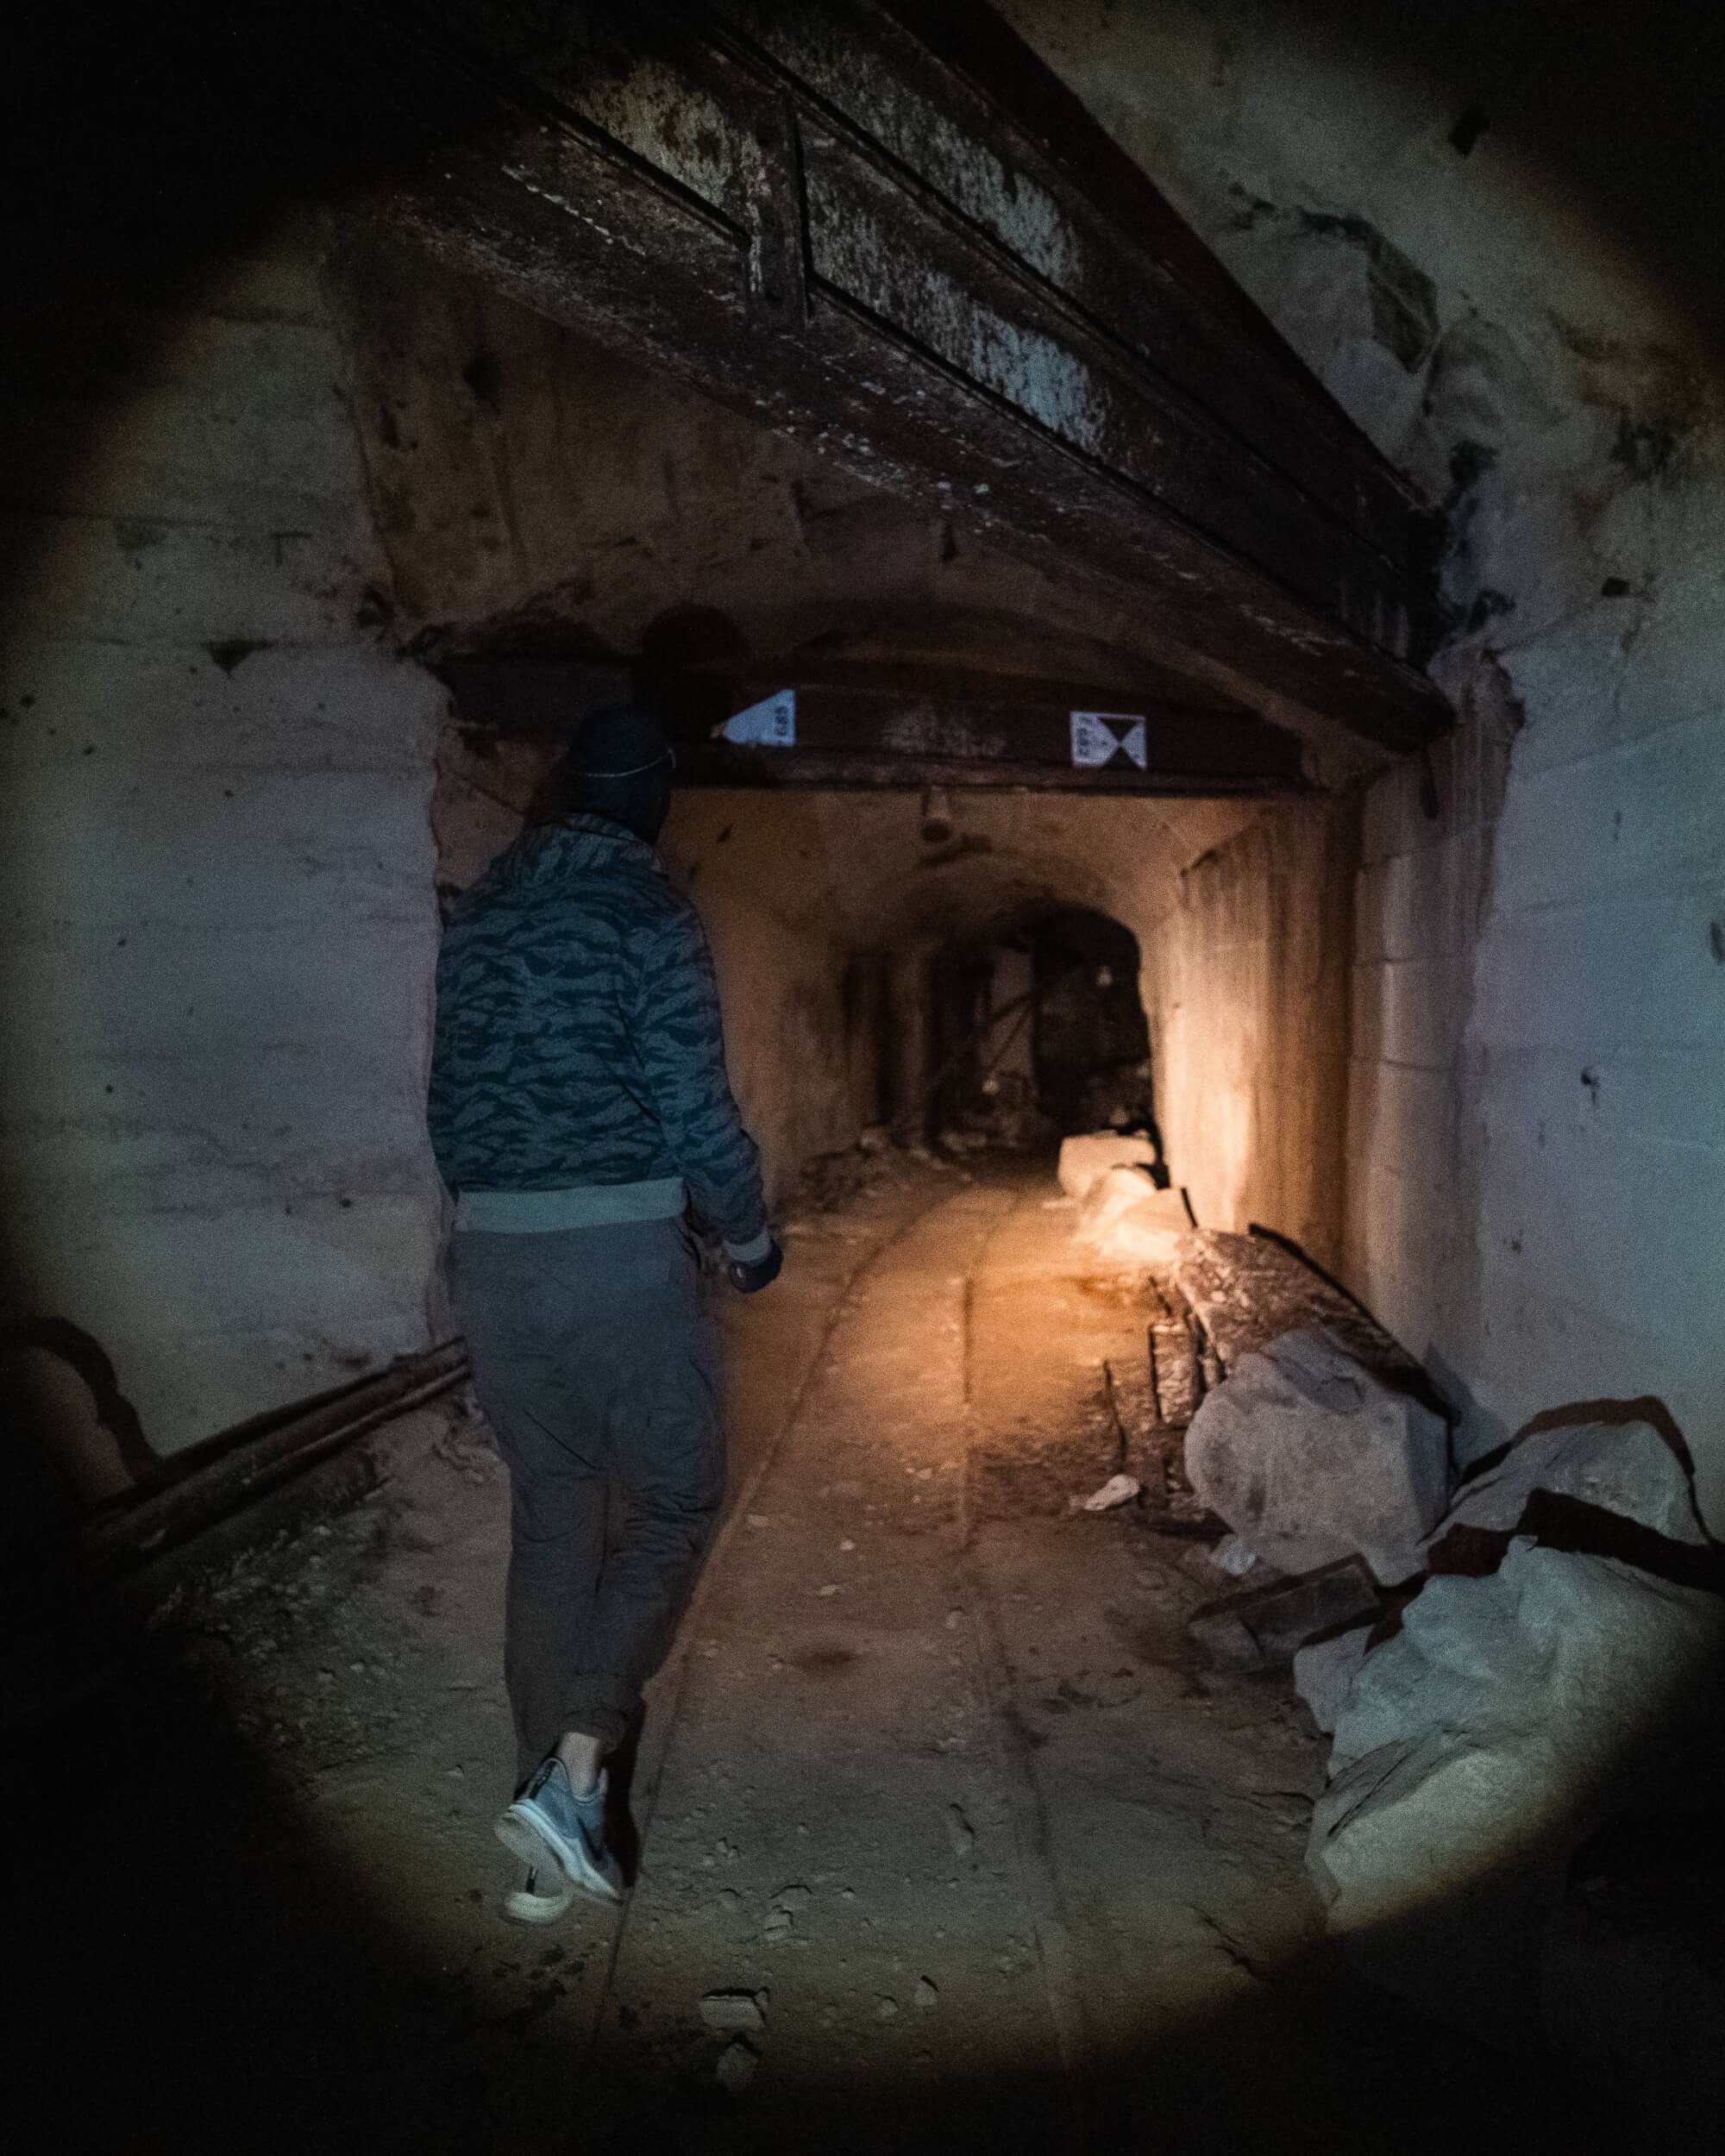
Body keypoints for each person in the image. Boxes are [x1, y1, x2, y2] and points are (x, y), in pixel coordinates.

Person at [427, 705, 781, 1924]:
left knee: (555, 1516)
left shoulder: (481, 910)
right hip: (618, 1258)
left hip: (492, 1256)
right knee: (675, 1499)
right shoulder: (647, 910)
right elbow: (693, 1102)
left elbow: (445, 1097)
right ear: (653, 799)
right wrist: (748, 1235)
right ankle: (580, 1759)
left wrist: (486, 1225)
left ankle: (543, 1840)